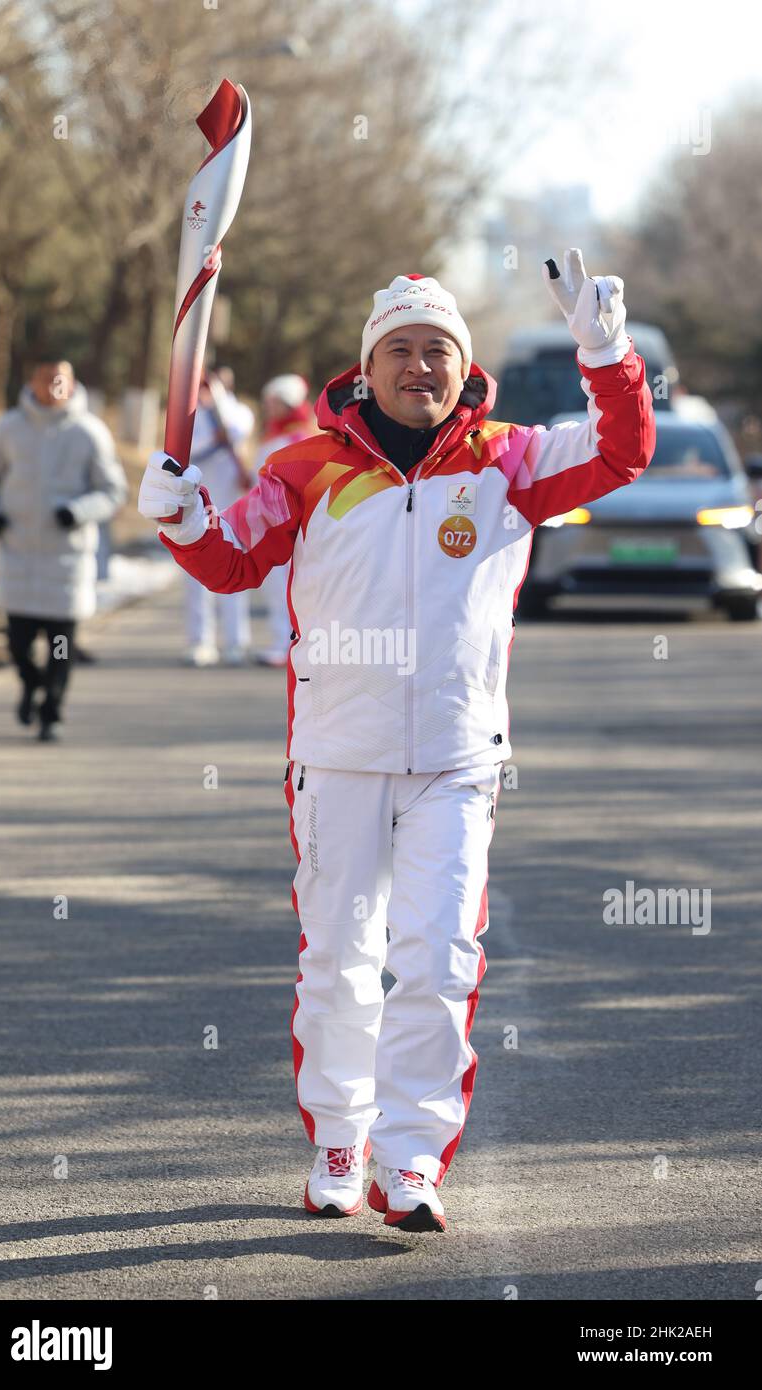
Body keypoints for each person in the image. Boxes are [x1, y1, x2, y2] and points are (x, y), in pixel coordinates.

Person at [138, 251, 656, 1232]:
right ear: (366, 369)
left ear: (465, 368)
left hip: (459, 758)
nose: (422, 366)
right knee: (338, 957)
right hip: (337, 755)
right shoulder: (304, 465)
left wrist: (608, 351)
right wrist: (180, 519)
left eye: (440, 351)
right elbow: (230, 559)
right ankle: (340, 1142)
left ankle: (411, 1160)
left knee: (439, 956)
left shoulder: (508, 460)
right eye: (403, 350)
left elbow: (623, 452)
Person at [0, 357, 127, 740]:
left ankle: (52, 710)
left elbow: (113, 491)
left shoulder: (90, 432)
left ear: (72, 383)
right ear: (34, 381)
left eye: (61, 379)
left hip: (66, 561)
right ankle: (31, 683)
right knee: (19, 646)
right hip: (19, 557)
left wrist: (77, 511)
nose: (54, 386)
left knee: (60, 647)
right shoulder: (9, 428)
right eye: (47, 378)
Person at [181, 368, 255, 665]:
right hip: (197, 509)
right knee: (196, 577)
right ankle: (200, 642)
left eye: (212, 384)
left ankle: (236, 642)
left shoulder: (240, 412)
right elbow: (187, 449)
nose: (207, 390)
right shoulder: (192, 417)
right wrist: (212, 433)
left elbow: (238, 431)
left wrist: (219, 411)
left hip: (232, 511)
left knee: (234, 573)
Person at [253, 375, 314, 666]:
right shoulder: (274, 435)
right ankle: (284, 642)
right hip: (270, 522)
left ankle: (287, 644)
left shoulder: (299, 438)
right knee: (276, 586)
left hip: (290, 524)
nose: (269, 407)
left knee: (288, 588)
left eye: (274, 402)